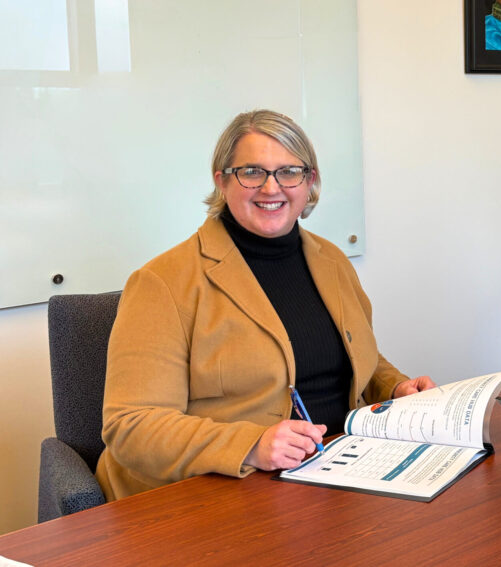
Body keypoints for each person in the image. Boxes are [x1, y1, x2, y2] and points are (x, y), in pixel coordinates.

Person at [96, 109, 435, 501]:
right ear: (221, 180)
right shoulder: (162, 282)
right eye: (252, 172)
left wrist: (394, 388)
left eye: (289, 172)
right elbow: (131, 426)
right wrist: (251, 444)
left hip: (338, 474)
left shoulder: (333, 261)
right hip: (217, 494)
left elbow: (362, 355)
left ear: (309, 182)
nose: (271, 188)